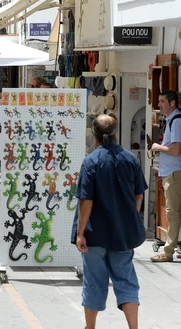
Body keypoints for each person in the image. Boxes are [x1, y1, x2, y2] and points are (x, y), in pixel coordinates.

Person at [72, 114, 146, 329]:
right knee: (126, 280)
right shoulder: (130, 158)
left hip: (96, 233)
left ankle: (90, 327)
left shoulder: (91, 161)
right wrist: (130, 216)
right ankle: (133, 327)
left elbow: (87, 201)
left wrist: (80, 232)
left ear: (94, 135)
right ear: (115, 133)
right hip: (122, 234)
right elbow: (139, 194)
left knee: (94, 282)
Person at [150, 90, 181, 262]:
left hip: (174, 172)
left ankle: (168, 251)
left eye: (162, 101)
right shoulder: (172, 120)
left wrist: (157, 146)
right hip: (173, 172)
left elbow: (176, 150)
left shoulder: (176, 122)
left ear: (172, 103)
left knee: (173, 213)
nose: (159, 104)